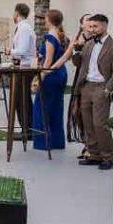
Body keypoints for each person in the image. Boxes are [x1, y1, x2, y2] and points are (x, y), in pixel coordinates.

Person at [75, 14, 113, 170]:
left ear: (105, 26)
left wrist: (108, 89)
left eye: (96, 26)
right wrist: (77, 49)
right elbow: (78, 64)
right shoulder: (88, 45)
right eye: (90, 26)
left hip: (102, 87)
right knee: (87, 123)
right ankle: (94, 154)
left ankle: (109, 156)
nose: (92, 29)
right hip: (86, 86)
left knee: (100, 124)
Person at [51, 14, 91, 151]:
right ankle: (86, 142)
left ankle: (91, 146)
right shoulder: (76, 41)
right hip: (80, 78)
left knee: (88, 113)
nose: (91, 22)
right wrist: (49, 69)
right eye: (87, 19)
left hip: (92, 79)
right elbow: (65, 58)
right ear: (82, 25)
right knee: (77, 111)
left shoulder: (97, 40)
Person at [32, 9, 68, 151]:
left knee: (41, 107)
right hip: (61, 72)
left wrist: (40, 77)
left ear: (49, 20)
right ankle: (57, 141)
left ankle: (43, 142)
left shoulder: (50, 37)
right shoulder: (61, 36)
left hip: (52, 74)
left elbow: (48, 62)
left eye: (45, 18)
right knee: (56, 106)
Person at [6, 3, 37, 138]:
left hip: (24, 67)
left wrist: (10, 51)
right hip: (21, 66)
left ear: (17, 12)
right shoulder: (22, 27)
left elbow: (23, 50)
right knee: (20, 98)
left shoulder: (24, 28)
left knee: (21, 99)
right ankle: (26, 127)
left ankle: (27, 129)